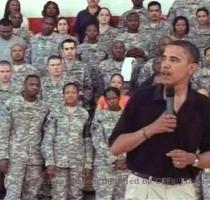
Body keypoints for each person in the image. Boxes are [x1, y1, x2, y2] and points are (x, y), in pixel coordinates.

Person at [109, 40, 210, 200]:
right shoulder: (141, 97)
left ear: (192, 68)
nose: (165, 65)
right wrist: (151, 129)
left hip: (182, 188)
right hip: (142, 187)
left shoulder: (202, 105)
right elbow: (115, 147)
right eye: (164, 58)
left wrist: (194, 159)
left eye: (174, 60)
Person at [0, 74, 49, 200]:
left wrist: (46, 159)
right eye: (31, 84)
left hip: (35, 159)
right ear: (24, 86)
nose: (34, 87)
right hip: (15, 158)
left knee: (31, 195)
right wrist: (3, 156)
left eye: (37, 85)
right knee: (13, 194)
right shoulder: (12, 104)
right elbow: (3, 131)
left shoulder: (44, 108)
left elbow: (47, 135)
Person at [41, 82, 92, 200]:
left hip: (77, 162)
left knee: (76, 195)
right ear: (63, 95)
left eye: (73, 92)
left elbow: (88, 140)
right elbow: (48, 138)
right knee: (58, 195)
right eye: (67, 93)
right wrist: (50, 162)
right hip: (58, 162)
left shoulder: (84, 114)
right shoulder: (55, 113)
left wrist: (88, 164)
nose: (70, 95)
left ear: (78, 94)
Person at [91, 87, 128, 200]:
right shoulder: (99, 116)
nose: (112, 101)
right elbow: (97, 140)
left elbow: (131, 139)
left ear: (119, 97)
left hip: (123, 165)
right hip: (104, 165)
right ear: (105, 100)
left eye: (114, 98)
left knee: (122, 197)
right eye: (109, 98)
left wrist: (125, 159)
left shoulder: (127, 116)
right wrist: (113, 159)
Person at [60, 39, 94, 109]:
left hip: (80, 106)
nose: (69, 51)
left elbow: (89, 88)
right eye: (66, 49)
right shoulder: (57, 66)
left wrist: (82, 101)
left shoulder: (84, 67)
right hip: (60, 106)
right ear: (62, 51)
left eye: (72, 48)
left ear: (76, 50)